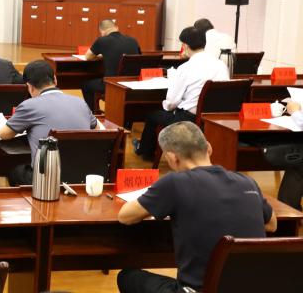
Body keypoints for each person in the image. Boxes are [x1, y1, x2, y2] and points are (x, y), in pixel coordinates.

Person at [117, 122, 275, 293]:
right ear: (209, 148)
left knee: (127, 277)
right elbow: (271, 224)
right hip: (252, 288)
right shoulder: (247, 182)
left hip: (198, 290)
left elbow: (125, 216)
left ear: (172, 158)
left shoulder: (174, 183)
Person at [0, 60, 100, 186]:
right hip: (81, 176)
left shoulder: (29, 105)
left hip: (46, 180)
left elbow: (4, 134)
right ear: (55, 80)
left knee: (16, 172)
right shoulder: (80, 102)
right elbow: (97, 129)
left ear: (29, 87)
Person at [133, 27, 229, 160]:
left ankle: (146, 152)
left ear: (185, 46)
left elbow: (171, 103)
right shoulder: (221, 65)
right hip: (215, 118)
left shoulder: (186, 68)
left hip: (190, 119)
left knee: (152, 115)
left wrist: (166, 106)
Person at [80, 19, 141, 111]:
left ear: (102, 31)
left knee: (86, 85)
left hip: (112, 84)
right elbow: (138, 57)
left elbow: (88, 57)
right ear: (116, 28)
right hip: (132, 83)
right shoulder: (133, 40)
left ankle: (92, 114)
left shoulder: (102, 40)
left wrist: (101, 56)